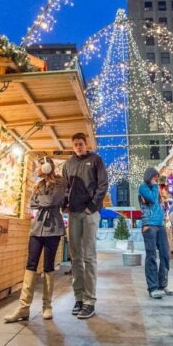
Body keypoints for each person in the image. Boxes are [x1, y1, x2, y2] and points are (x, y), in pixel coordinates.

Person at [5, 157, 67, 323]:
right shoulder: (38, 184)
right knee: (31, 264)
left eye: (39, 165)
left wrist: (42, 201)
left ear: (47, 166)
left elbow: (52, 201)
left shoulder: (61, 183)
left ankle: (47, 306)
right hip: (36, 228)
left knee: (48, 265)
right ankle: (23, 308)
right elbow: (32, 203)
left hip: (53, 229)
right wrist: (42, 201)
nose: (37, 168)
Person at [63, 132, 108, 319]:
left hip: (90, 213)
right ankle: (79, 298)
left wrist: (92, 207)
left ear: (86, 144)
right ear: (72, 146)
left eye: (81, 144)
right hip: (73, 214)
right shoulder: (68, 164)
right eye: (75, 144)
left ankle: (90, 301)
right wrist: (64, 205)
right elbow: (65, 187)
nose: (79, 147)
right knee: (76, 257)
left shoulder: (96, 160)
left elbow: (103, 185)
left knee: (89, 256)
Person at [139, 167, 173, 299]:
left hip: (159, 225)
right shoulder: (143, 187)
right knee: (151, 255)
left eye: (157, 178)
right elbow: (152, 199)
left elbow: (158, 204)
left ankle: (162, 285)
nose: (156, 180)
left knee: (165, 254)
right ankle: (153, 287)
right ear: (149, 176)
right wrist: (154, 186)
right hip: (149, 225)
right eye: (154, 177)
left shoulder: (155, 188)